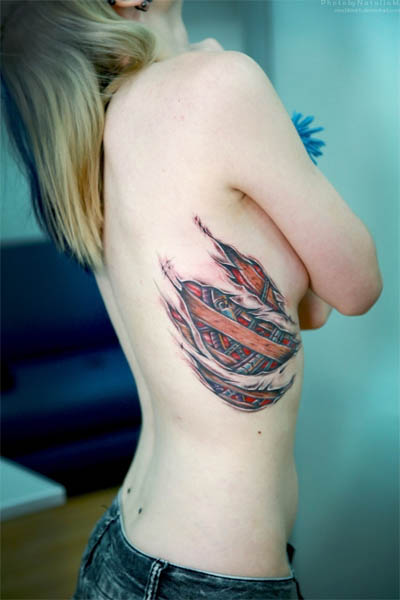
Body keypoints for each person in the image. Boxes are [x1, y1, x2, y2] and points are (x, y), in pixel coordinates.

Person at [0, 1, 383, 598]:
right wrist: (282, 142)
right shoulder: (219, 86)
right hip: (209, 576)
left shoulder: (99, 125)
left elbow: (311, 307)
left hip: (123, 546)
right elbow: (358, 286)